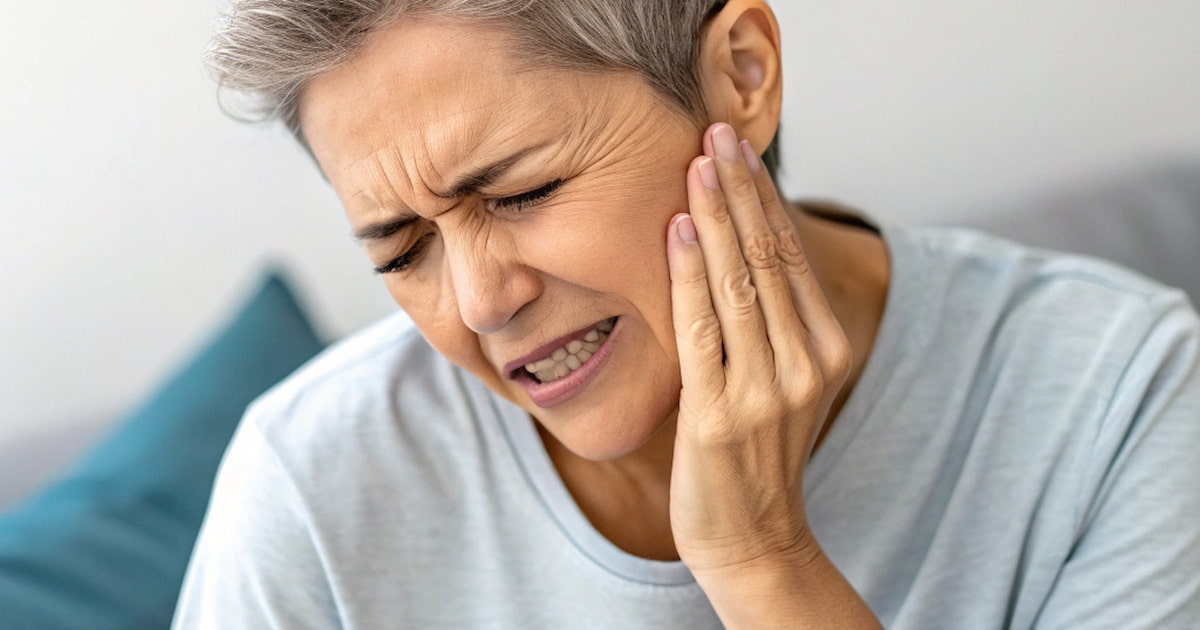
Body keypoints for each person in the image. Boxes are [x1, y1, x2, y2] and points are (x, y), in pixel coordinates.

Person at [173, 1, 1200, 628]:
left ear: (742, 76)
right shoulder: (312, 484)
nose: (481, 303)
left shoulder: (1121, 397)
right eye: (403, 248)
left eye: (521, 190)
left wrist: (762, 560)